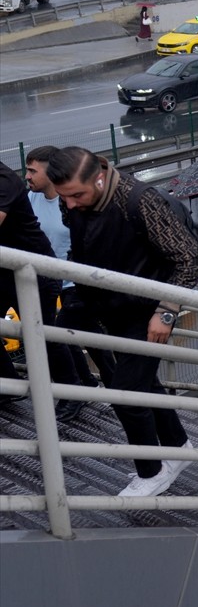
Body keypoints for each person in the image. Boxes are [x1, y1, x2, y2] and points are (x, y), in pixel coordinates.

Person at [46, 147, 198, 498]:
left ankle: (151, 472)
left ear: (100, 178)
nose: (69, 204)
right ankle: (178, 446)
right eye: (64, 197)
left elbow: (190, 258)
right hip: (107, 303)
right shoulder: (75, 200)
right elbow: (84, 243)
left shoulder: (139, 201)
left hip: (146, 311)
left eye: (76, 195)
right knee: (141, 382)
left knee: (126, 393)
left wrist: (166, 311)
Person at [24, 147, 115, 417]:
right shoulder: (30, 198)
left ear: (51, 171)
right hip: (48, 279)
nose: (27, 176)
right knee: (86, 336)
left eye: (32, 170)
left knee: (60, 332)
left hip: (76, 281)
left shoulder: (70, 202)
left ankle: (89, 388)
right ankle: (104, 386)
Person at [0, 161, 81, 416]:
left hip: (35, 272)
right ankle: (8, 385)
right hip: (5, 272)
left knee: (42, 334)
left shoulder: (4, 181)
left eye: (32, 170)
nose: (27, 176)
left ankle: (73, 393)